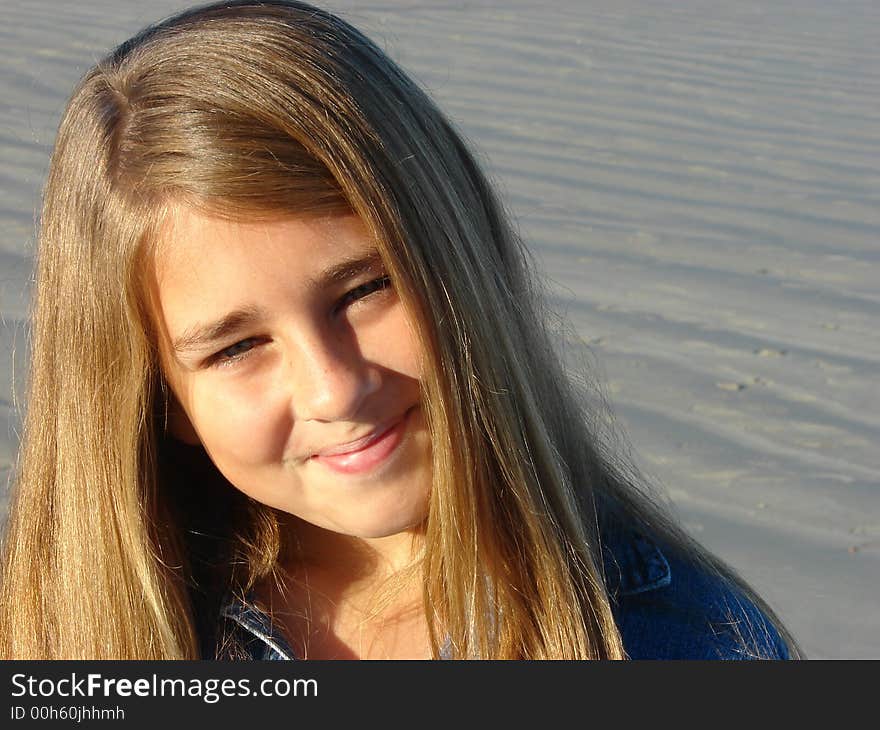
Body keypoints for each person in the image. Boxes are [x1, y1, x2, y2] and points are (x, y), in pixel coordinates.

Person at [0, 0, 799, 660]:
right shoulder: (61, 640)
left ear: (461, 261)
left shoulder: (687, 641)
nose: (333, 387)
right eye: (237, 347)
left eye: (365, 289)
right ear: (161, 401)